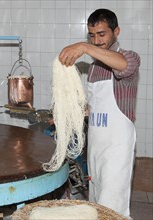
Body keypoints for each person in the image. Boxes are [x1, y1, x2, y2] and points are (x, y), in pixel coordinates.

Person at [58, 8, 140, 218]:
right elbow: (94, 106)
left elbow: (124, 66)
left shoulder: (128, 57)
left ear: (116, 31)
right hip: (96, 145)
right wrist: (71, 114)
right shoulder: (94, 68)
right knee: (95, 203)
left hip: (117, 147)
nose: (96, 40)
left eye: (102, 34)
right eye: (92, 36)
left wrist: (84, 47)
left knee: (112, 206)